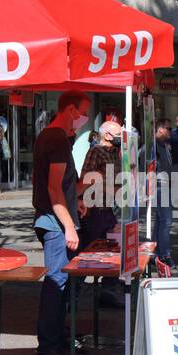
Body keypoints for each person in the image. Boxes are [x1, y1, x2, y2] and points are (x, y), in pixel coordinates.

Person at [32, 90, 91, 355]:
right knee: (56, 282)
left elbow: (62, 189)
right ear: (71, 110)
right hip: (54, 224)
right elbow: (53, 189)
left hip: (56, 220)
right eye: (84, 112)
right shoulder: (55, 138)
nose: (85, 119)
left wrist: (77, 198)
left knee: (61, 281)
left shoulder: (56, 137)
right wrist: (69, 226)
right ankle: (50, 345)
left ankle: (57, 339)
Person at [79, 121, 124, 305]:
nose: (122, 137)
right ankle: (71, 296)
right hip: (95, 210)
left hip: (109, 209)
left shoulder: (116, 154)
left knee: (113, 251)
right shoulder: (96, 152)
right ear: (107, 135)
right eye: (118, 134)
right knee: (88, 252)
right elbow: (85, 179)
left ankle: (108, 293)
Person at [153, 119, 175, 267]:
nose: (170, 132)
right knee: (166, 221)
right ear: (160, 130)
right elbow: (142, 158)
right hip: (159, 186)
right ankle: (164, 254)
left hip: (164, 186)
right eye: (168, 129)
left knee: (161, 221)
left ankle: (155, 253)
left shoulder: (163, 146)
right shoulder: (153, 145)